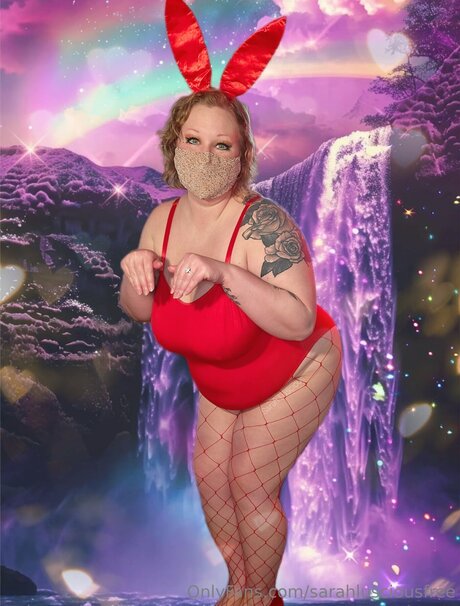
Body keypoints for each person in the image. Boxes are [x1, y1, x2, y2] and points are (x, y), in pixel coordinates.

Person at [118, 2, 342, 605]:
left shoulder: (264, 224)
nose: (206, 156)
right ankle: (242, 592)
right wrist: (136, 274)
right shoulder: (161, 221)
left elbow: (298, 320)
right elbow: (139, 310)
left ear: (243, 155)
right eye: (193, 140)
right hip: (223, 376)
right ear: (173, 144)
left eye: (223, 145)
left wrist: (224, 272)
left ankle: (259, 598)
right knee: (212, 485)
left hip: (298, 363)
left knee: (249, 483)